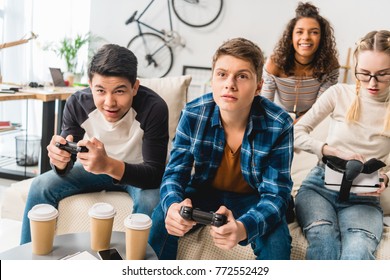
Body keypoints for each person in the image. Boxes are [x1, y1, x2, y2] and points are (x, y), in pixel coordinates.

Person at [149, 37, 294, 260]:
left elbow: (276, 194)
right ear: (212, 80)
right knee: (161, 219)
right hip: (205, 191)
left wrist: (244, 228)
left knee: (277, 245)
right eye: (222, 74)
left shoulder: (279, 123)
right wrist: (173, 206)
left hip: (253, 197)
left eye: (242, 76)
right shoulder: (193, 113)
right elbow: (174, 174)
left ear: (258, 86)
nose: (230, 84)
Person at [20, 44, 169, 244]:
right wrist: (60, 162)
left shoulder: (154, 108)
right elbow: (64, 163)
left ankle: (140, 269)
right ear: (90, 85)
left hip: (139, 172)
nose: (109, 102)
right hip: (95, 168)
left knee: (153, 201)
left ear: (135, 87)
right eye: (100, 90)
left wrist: (108, 165)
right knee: (40, 185)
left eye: (119, 91)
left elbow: (154, 174)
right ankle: (28, 260)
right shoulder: (77, 103)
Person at [294, 30, 390, 259]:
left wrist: (386, 177)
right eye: (364, 74)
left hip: (364, 198)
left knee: (357, 251)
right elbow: (295, 132)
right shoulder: (338, 94)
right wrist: (328, 149)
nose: (372, 83)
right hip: (319, 188)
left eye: (383, 74)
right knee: (323, 239)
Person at [261, 2, 339, 123]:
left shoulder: (330, 66)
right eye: (299, 31)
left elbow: (321, 108)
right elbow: (265, 107)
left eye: (314, 32)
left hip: (313, 120)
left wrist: (298, 123)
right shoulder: (274, 64)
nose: (306, 37)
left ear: (322, 38)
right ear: (291, 37)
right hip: (279, 117)